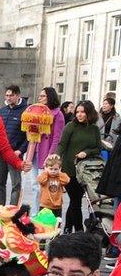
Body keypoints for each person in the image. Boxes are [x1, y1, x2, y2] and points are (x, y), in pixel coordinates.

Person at [57, 100, 102, 233]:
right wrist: (56, 158)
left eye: (82, 112)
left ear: (89, 113)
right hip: (70, 169)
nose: (79, 114)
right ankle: (79, 230)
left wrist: (86, 152)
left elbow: (98, 148)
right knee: (75, 200)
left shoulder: (94, 129)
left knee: (74, 201)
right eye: (77, 112)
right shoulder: (70, 126)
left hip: (84, 172)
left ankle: (67, 228)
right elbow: (62, 145)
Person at [25, 87, 65, 210]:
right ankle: (35, 212)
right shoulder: (36, 112)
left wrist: (50, 154)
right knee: (34, 185)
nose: (40, 98)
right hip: (34, 150)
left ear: (50, 97)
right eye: (40, 96)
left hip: (46, 152)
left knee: (44, 185)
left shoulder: (57, 114)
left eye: (43, 96)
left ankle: (43, 211)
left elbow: (57, 137)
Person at [0, 85, 30, 206]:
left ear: (18, 95)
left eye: (11, 95)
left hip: (15, 153)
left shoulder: (26, 111)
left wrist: (20, 151)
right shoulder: (2, 111)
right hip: (0, 153)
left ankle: (13, 209)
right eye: (7, 95)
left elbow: (29, 137)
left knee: (16, 184)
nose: (8, 98)